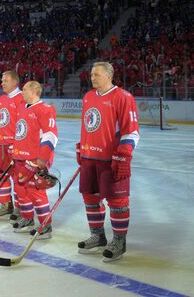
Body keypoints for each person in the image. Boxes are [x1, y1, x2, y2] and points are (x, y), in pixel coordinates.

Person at [77, 61, 139, 262]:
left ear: (109, 76)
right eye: (92, 74)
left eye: (96, 74)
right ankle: (98, 236)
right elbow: (88, 125)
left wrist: (124, 155)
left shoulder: (123, 97)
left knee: (117, 201)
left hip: (110, 160)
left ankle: (119, 241)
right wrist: (82, 147)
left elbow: (131, 131)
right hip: (89, 158)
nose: (92, 77)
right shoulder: (88, 97)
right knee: (90, 197)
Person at [10, 80, 58, 239]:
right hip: (19, 158)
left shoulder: (45, 109)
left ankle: (45, 225)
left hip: (33, 160)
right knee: (21, 190)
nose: (21, 92)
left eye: (24, 89)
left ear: (33, 91)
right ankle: (27, 219)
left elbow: (50, 136)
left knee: (36, 192)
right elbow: (20, 132)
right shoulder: (22, 108)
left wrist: (41, 160)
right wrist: (14, 152)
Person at [0, 71, 26, 220]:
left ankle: (20, 206)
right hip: (1, 145)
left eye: (5, 81)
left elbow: (24, 124)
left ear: (15, 82)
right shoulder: (2, 99)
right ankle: (6, 204)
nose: (2, 83)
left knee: (18, 177)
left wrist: (18, 144)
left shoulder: (22, 98)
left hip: (14, 146)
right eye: (2, 80)